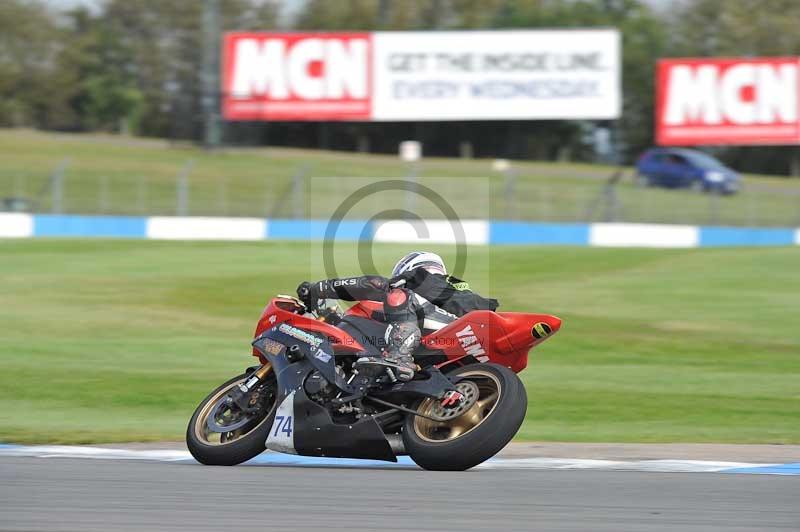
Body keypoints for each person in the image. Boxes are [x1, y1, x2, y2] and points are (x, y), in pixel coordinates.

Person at [296, 251, 498, 382]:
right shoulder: (455, 289)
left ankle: (398, 357)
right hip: (464, 349)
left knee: (397, 293)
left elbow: (372, 284)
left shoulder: (418, 282)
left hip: (448, 334)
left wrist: (317, 289)